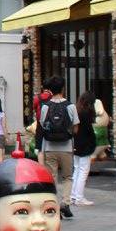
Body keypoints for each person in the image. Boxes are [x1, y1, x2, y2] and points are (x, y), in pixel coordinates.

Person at [38, 75, 78, 219]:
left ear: (50, 90)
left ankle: (54, 205)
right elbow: (75, 128)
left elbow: (42, 125)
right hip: (66, 147)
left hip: (49, 147)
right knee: (68, 177)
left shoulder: (45, 107)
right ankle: (65, 203)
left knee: (52, 177)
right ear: (63, 88)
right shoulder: (70, 106)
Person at [70, 90, 97, 207]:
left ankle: (73, 196)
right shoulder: (87, 113)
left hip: (76, 144)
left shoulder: (77, 111)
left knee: (76, 170)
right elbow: (90, 132)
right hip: (85, 146)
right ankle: (79, 197)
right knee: (83, 171)